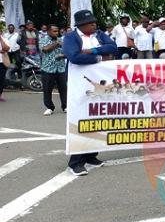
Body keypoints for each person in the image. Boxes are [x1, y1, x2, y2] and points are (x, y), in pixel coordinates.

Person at [63, 10, 117, 175]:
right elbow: (74, 57)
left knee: (96, 117)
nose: (95, 24)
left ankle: (90, 156)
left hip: (98, 84)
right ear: (81, 25)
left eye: (94, 22)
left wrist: (92, 51)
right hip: (79, 83)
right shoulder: (71, 37)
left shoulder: (99, 34)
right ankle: (75, 163)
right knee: (80, 119)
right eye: (91, 23)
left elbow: (113, 47)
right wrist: (99, 58)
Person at [39, 24, 67, 115]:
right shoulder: (43, 39)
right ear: (48, 31)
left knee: (63, 88)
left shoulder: (61, 40)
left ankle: (65, 106)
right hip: (48, 69)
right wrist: (57, 44)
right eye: (54, 31)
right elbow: (45, 49)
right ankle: (49, 107)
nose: (56, 33)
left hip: (60, 68)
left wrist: (62, 55)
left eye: (57, 31)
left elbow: (67, 52)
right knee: (47, 89)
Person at [0, 33, 9, 102]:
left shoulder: (5, 39)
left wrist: (0, 39)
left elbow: (6, 48)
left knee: (1, 80)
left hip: (2, 63)